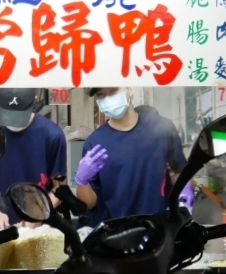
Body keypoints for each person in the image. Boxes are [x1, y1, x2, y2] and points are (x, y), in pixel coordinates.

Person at [76, 87, 191, 228]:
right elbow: (89, 203)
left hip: (159, 228)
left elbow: (179, 170)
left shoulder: (162, 128)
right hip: (114, 232)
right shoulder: (94, 143)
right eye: (101, 95)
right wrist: (82, 181)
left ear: (130, 89)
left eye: (113, 92)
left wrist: (185, 189)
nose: (108, 99)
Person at [0, 88, 67, 229]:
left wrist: (37, 216)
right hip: (2, 222)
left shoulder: (52, 135)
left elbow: (59, 190)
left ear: (34, 101)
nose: (14, 122)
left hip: (42, 225)